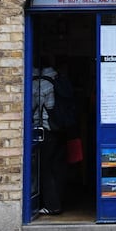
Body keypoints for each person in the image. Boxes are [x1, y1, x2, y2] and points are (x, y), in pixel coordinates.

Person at [32, 61, 66, 216]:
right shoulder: (56, 79)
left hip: (45, 129)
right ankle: (58, 201)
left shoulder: (40, 84)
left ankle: (52, 205)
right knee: (56, 167)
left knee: (45, 169)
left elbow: (35, 106)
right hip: (59, 128)